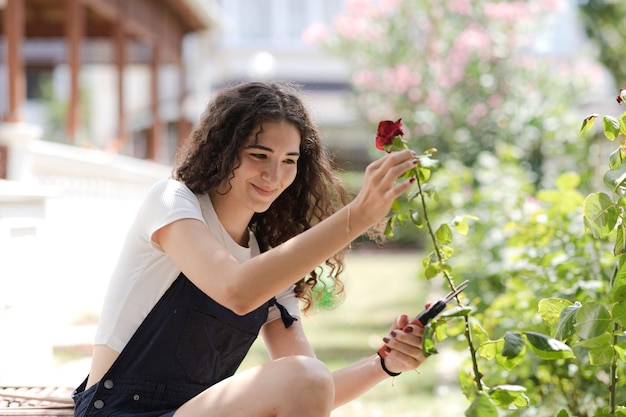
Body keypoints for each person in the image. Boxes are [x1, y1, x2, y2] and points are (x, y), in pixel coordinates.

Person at [72, 80, 426, 417]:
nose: (275, 175)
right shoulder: (171, 202)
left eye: (289, 160)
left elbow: (312, 390)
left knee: (309, 376)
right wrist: (357, 217)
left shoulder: (265, 258)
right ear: (223, 151)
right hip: (118, 409)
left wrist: (383, 364)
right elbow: (236, 290)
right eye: (260, 155)